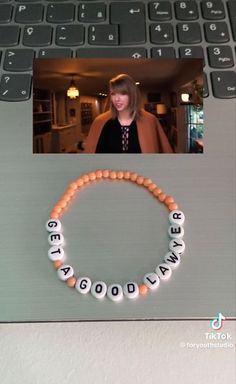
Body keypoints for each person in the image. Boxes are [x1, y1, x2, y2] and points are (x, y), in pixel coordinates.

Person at [84, 74, 173, 153]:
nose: (117, 99)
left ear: (132, 95)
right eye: (113, 94)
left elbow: (164, 154)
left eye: (122, 93)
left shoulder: (150, 120)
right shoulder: (100, 121)